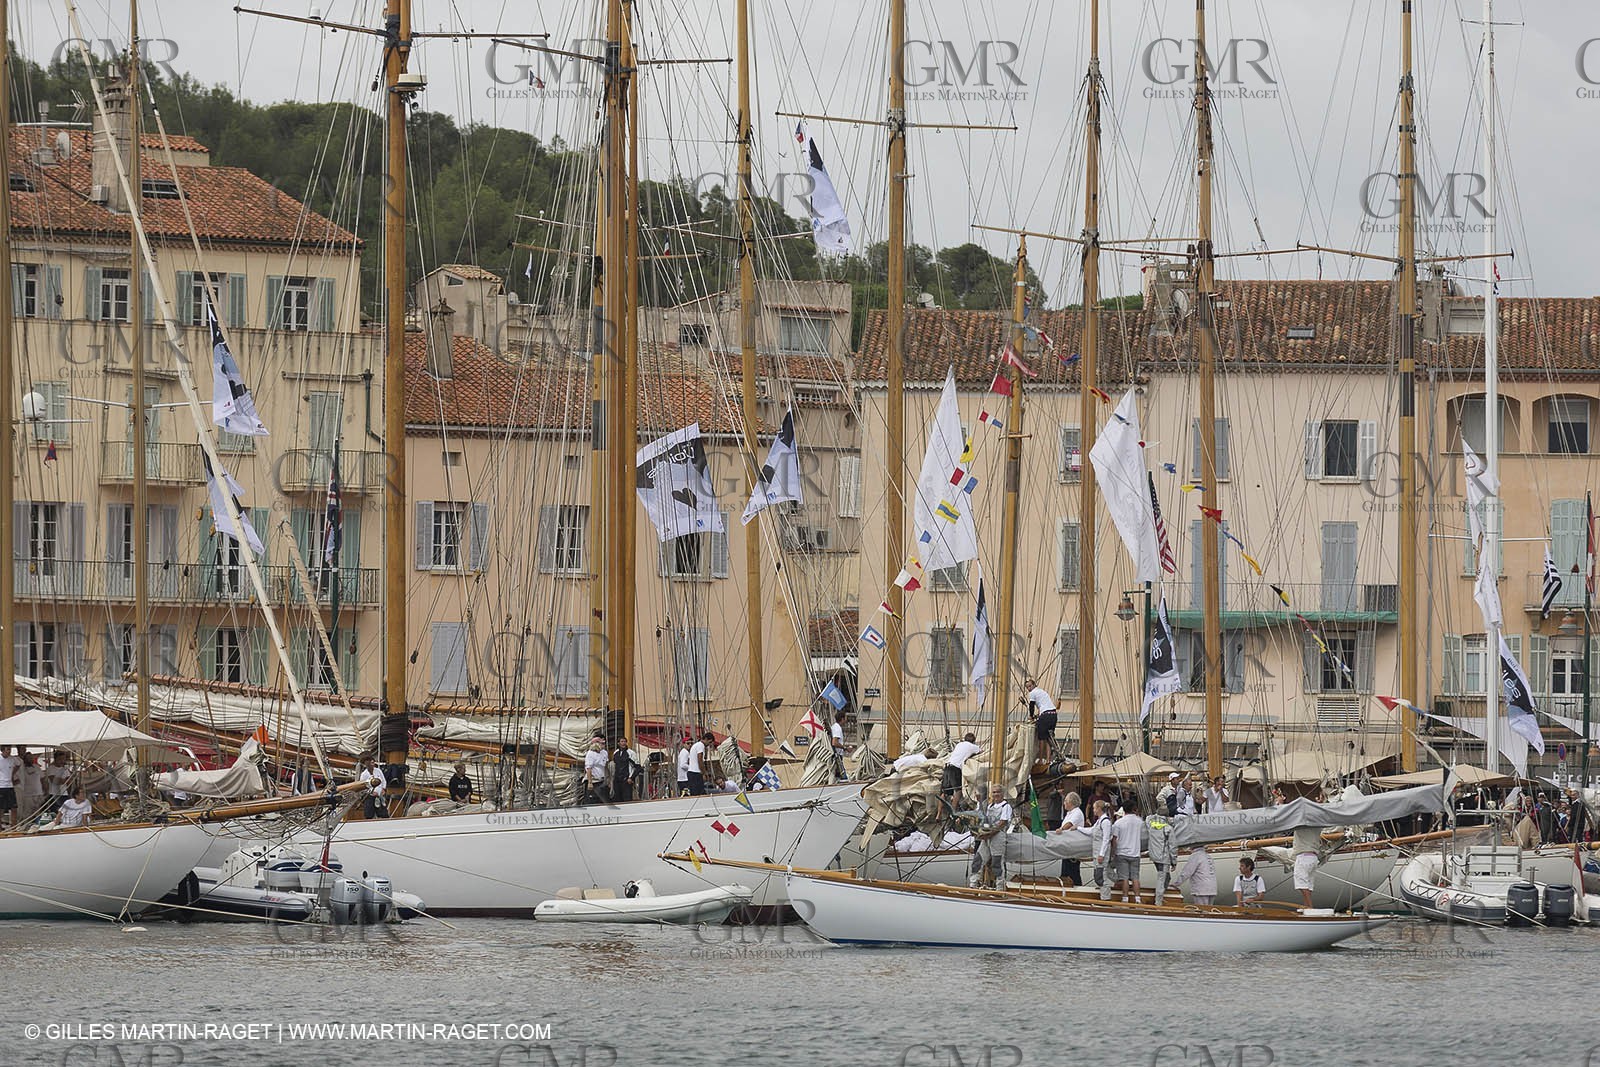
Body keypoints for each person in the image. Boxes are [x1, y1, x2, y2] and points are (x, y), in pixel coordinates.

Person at [968, 785, 1013, 889]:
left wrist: (987, 834)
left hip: (998, 836)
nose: (996, 794)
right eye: (993, 792)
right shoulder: (990, 806)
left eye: (998, 792)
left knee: (997, 863)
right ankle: (973, 885)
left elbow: (1002, 823)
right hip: (988, 836)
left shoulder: (1006, 806)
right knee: (978, 860)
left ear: (1002, 794)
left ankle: (999, 888)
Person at [1108, 796, 1144, 902]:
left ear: (1123, 810)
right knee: (1135, 877)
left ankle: (1125, 898)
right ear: (1134, 809)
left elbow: (1114, 839)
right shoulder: (1139, 821)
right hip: (1135, 853)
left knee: (1124, 878)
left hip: (1122, 853)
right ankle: (1138, 898)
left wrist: (1113, 853)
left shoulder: (1118, 823)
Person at [1145, 807, 1179, 905]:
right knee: (1162, 878)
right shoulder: (1168, 828)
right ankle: (1158, 902)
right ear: (1167, 816)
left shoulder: (1151, 824)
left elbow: (1148, 818)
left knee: (1166, 877)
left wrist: (1155, 815)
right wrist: (1174, 861)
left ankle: (1160, 895)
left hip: (1153, 856)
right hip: (1163, 858)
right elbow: (1173, 846)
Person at [1024, 677, 1057, 764]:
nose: (1029, 689)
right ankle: (1048, 760)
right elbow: (1045, 704)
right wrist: (1039, 715)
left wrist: (1031, 716)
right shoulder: (1042, 692)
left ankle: (1041, 759)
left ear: (1034, 685)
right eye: (1027, 687)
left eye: (1030, 686)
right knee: (1049, 738)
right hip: (1053, 714)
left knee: (1041, 738)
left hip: (1045, 715)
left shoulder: (1032, 693)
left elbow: (1031, 706)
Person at [942, 733, 981, 805]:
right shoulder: (973, 746)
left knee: (945, 792)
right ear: (974, 741)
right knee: (958, 791)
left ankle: (938, 815)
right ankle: (954, 812)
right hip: (955, 768)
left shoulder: (959, 744)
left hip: (947, 766)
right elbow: (981, 752)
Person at [1058, 791, 1086, 885]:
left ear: (1071, 802)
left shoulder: (1077, 812)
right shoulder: (1069, 813)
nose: (1064, 803)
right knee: (1066, 869)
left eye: (1066, 801)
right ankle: (1066, 885)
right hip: (1067, 845)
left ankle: (1077, 887)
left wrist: (1061, 829)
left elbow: (1069, 824)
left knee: (1072, 870)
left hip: (1073, 846)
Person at [1291, 823, 1322, 908]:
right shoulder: (1318, 824)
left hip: (1303, 857)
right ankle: (1306, 907)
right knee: (1308, 886)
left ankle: (1310, 908)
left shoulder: (1299, 823)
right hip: (1314, 857)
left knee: (1302, 885)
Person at [1090, 800, 1115, 900]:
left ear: (1099, 809)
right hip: (1096, 853)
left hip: (1101, 854)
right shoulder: (1099, 821)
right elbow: (1091, 830)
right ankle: (1105, 894)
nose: (1093, 810)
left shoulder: (1105, 822)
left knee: (1101, 877)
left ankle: (1106, 898)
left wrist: (1102, 854)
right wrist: (1078, 828)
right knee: (1099, 876)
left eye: (1094, 808)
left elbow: (1106, 839)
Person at [582, 738, 611, 805]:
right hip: (593, 780)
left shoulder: (604, 753)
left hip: (601, 780)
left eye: (604, 743)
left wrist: (608, 779)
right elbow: (589, 768)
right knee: (591, 801)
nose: (604, 745)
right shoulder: (590, 754)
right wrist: (590, 782)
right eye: (602, 743)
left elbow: (606, 767)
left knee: (603, 800)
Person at [0, 745, 21, 830]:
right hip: (1, 786)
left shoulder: (12, 759)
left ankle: (14, 826)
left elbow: (19, 764)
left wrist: (12, 773)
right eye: (8, 749)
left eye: (10, 749)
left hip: (10, 786)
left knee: (14, 807)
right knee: (1, 808)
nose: (9, 751)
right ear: (2, 750)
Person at [687, 732, 712, 796]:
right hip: (696, 773)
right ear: (706, 739)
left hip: (691, 772)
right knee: (699, 793)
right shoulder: (701, 745)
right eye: (709, 742)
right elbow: (700, 759)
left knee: (694, 793)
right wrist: (704, 773)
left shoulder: (695, 745)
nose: (708, 745)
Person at [830, 712, 848, 781]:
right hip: (837, 756)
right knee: (843, 776)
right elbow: (834, 742)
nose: (846, 720)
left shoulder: (834, 726)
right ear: (842, 719)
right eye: (845, 718)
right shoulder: (838, 728)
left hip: (836, 755)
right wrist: (845, 748)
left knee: (838, 776)